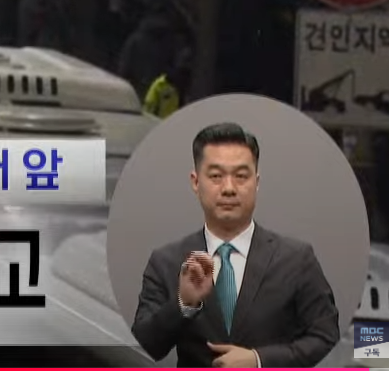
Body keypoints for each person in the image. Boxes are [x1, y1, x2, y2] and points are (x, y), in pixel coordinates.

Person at [130, 122, 339, 368]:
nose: (229, 189)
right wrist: (184, 304)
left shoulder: (297, 259)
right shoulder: (167, 262)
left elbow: (326, 337)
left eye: (241, 176)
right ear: (196, 182)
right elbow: (143, 345)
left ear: (256, 182)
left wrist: (259, 360)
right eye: (216, 176)